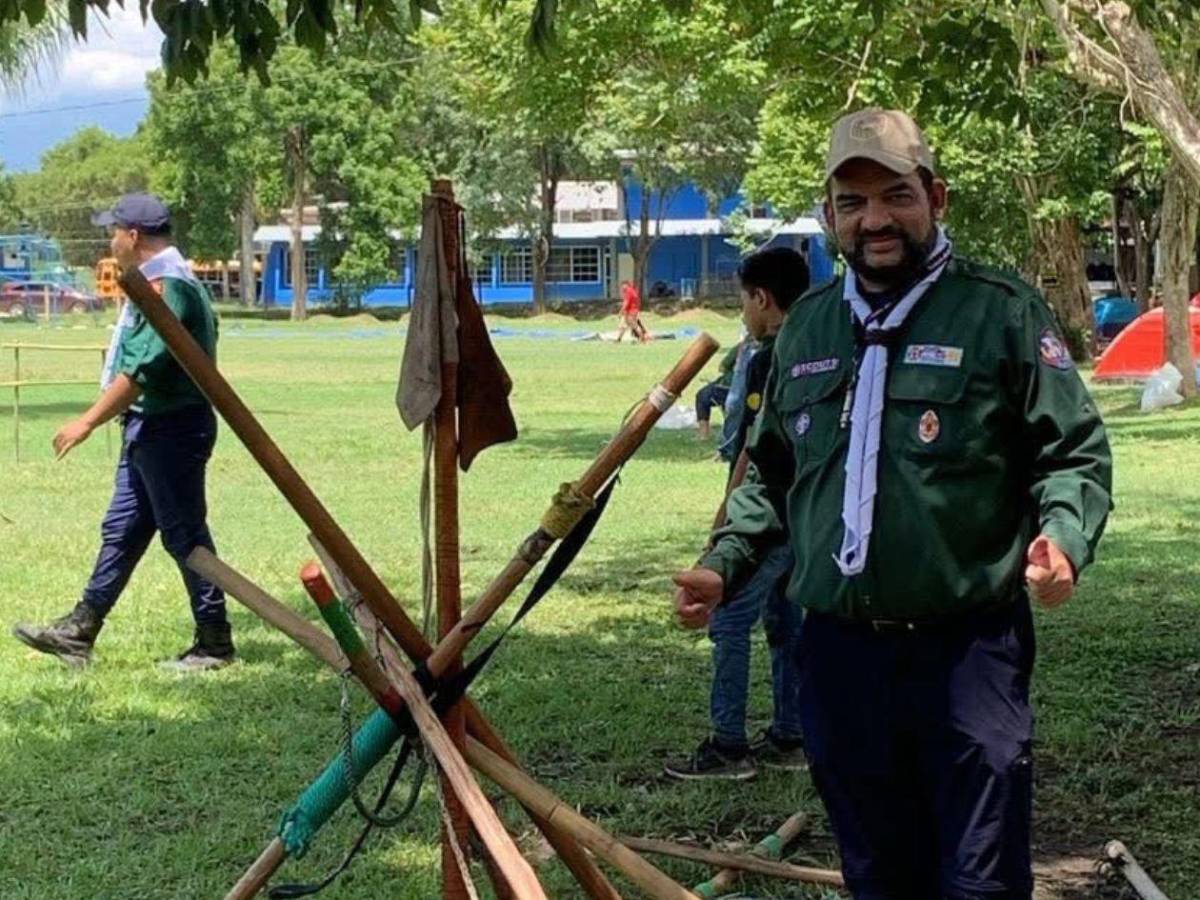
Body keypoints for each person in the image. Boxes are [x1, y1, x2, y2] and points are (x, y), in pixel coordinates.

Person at [671, 109, 1113, 897]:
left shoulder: (999, 311)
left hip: (969, 651)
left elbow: (1071, 451)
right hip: (839, 655)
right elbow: (772, 475)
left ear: (935, 197)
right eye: (851, 202)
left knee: (978, 880)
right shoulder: (805, 329)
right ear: (830, 214)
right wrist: (724, 564)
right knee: (876, 872)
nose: (874, 219)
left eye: (895, 195)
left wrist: (1063, 538)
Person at [12, 193, 234, 671]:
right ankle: (80, 630)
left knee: (185, 535)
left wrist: (86, 421)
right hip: (150, 427)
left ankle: (215, 642)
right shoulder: (159, 280)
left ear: (132, 237)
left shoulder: (167, 285)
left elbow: (142, 369)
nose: (109, 242)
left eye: (113, 232)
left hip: (170, 427)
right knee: (123, 531)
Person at [665, 246, 810, 781]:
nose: (742, 313)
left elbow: (756, 449)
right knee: (785, 618)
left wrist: (726, 521)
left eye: (743, 301)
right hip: (802, 514)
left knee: (727, 616)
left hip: (766, 515)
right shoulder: (814, 348)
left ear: (761, 297)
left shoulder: (770, 356)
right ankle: (792, 735)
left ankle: (728, 747)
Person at [695, 342, 740, 441]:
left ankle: (704, 434)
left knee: (702, 396)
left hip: (729, 387)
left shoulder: (743, 345)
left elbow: (723, 366)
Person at [615, 279, 648, 343]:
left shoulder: (628, 292)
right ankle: (618, 339)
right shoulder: (632, 291)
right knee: (623, 326)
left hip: (630, 312)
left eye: (622, 286)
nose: (622, 288)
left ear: (626, 285)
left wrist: (621, 312)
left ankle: (643, 339)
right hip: (632, 311)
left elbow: (626, 303)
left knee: (634, 326)